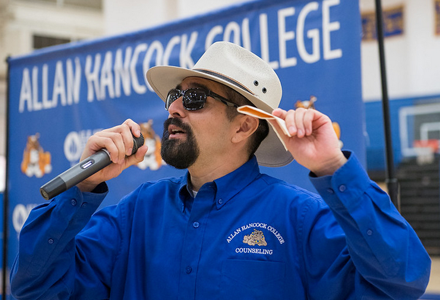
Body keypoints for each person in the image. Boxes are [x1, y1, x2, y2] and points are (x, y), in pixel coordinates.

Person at [10, 42, 430, 300]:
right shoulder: (136, 214)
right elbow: (34, 288)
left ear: (244, 125)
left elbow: (401, 282)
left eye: (194, 98)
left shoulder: (298, 219)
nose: (173, 107)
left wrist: (333, 167)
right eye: (175, 95)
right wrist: (82, 185)